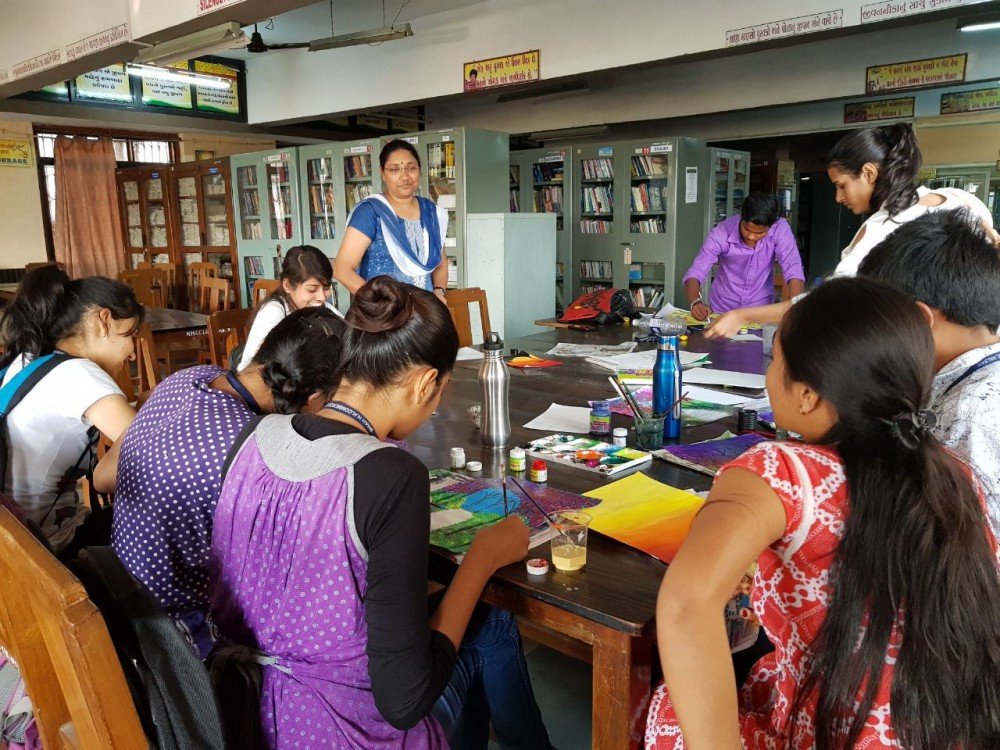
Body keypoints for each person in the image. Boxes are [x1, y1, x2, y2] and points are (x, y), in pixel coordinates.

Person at [645, 277, 1000, 749]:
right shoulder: (954, 476)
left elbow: (686, 606)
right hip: (946, 725)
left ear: (808, 394)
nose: (769, 374)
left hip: (828, 728)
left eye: (774, 361)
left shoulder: (779, 469)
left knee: (671, 707)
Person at [209, 276, 550, 749]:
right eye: (441, 392)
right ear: (426, 383)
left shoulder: (254, 435)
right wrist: (481, 559)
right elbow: (405, 699)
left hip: (242, 715)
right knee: (488, 617)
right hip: (341, 731)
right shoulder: (390, 473)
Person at [109, 307, 345, 658]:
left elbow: (105, 477)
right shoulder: (255, 449)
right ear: (312, 401)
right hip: (175, 632)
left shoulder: (191, 377)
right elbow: (276, 573)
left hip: (119, 589)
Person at [705, 122, 996, 338]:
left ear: (869, 173)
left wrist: (742, 316)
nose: (838, 197)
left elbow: (825, 302)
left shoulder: (881, 229)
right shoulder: (962, 200)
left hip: (920, 347)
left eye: (841, 185)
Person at [858, 209, 1000, 535]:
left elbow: (962, 546)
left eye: (882, 323)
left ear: (921, 319)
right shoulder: (963, 376)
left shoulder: (970, 417)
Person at [0, 266, 141, 555]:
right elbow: (159, 455)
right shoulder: (80, 374)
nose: (132, 353)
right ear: (104, 321)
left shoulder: (31, 357)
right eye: (130, 335)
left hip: (13, 538)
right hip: (49, 547)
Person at [333, 139, 450, 302]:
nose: (405, 176)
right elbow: (342, 269)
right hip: (383, 312)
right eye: (395, 169)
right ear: (382, 173)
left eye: (411, 168)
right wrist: (378, 304)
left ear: (419, 170)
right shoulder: (370, 212)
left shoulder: (431, 212)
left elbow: (441, 264)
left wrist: (438, 291)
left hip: (424, 311)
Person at [682, 191, 805, 320]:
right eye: (746, 229)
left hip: (760, 311)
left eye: (759, 233)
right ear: (741, 217)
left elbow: (793, 269)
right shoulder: (722, 231)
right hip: (723, 309)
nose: (751, 236)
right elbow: (697, 270)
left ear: (771, 226)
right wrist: (695, 301)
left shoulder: (780, 229)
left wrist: (794, 311)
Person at [237, 245, 340, 371]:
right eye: (312, 290)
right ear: (287, 285)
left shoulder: (324, 309)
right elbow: (251, 369)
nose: (322, 297)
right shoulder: (273, 312)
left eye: (326, 288)